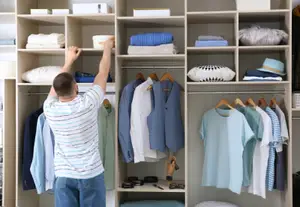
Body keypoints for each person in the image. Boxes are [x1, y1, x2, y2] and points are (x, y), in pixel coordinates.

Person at [43, 38, 115, 207]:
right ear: (76, 87)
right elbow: (102, 74)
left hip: (64, 177)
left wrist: (69, 60)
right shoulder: (88, 104)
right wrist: (107, 48)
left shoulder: (49, 108)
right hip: (91, 174)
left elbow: (56, 85)